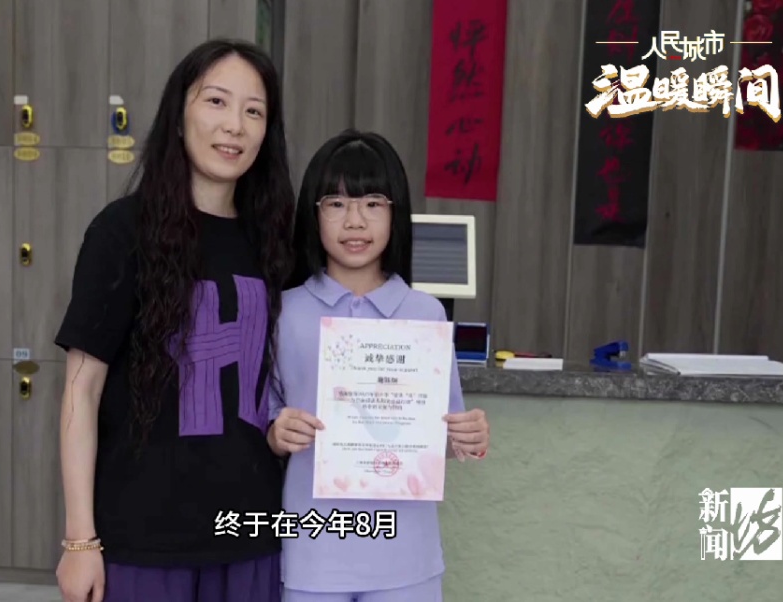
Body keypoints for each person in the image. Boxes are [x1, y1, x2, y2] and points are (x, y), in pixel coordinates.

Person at [52, 38, 295, 602]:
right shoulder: (121, 232)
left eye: (254, 111)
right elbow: (81, 391)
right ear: (179, 115)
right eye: (216, 101)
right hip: (144, 543)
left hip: (251, 536)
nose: (234, 125)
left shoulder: (275, 241)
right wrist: (80, 540)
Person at [267, 130, 490, 602]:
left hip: (407, 556)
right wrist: (276, 431)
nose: (355, 221)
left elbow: (442, 435)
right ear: (313, 215)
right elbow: (262, 417)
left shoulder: (426, 314)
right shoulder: (284, 313)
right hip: (313, 554)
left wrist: (466, 437)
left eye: (373, 203)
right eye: (336, 203)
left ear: (395, 213)